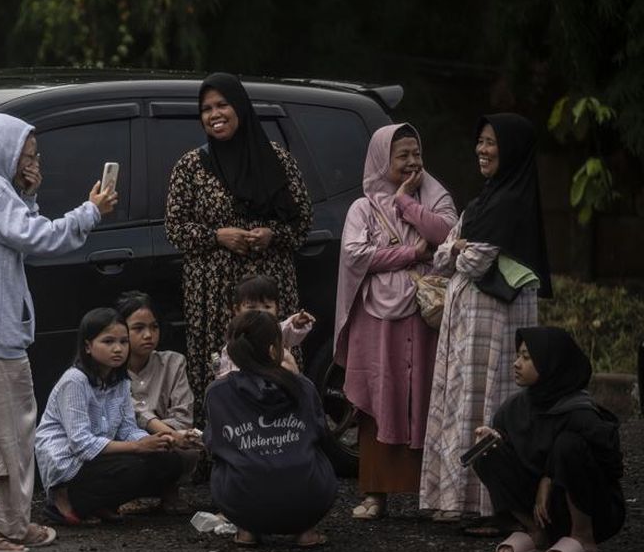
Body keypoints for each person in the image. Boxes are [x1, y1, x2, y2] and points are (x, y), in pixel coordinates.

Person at [0, 111, 117, 552]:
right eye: (25, 152)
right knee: (18, 432)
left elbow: (15, 231)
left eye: (33, 153)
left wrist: (29, 191)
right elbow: (36, 238)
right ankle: (15, 524)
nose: (31, 159)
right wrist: (90, 214)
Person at [420, 114, 552, 525]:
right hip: (467, 320)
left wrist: (457, 248)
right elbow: (441, 256)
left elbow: (473, 262)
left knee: (486, 399)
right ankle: (458, 499)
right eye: (479, 141)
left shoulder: (512, 202)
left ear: (509, 149)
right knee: (462, 398)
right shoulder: (483, 201)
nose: (482, 149)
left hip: (493, 320)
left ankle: (488, 503)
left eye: (491, 142)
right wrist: (457, 248)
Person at [165, 73, 313, 416]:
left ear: (241, 108)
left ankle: (283, 443)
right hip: (216, 295)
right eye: (206, 108)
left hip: (270, 290)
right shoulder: (190, 166)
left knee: (276, 363)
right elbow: (174, 228)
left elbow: (302, 222)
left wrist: (271, 235)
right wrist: (218, 236)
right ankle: (223, 456)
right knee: (222, 373)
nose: (214, 114)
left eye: (222, 105)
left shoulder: (277, 160)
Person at [334, 123, 458, 520]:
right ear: (381, 159)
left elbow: (447, 233)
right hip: (377, 319)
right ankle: (376, 494)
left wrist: (406, 204)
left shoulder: (433, 195)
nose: (411, 162)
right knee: (379, 398)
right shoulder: (363, 208)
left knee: (427, 397)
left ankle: (438, 497)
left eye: (416, 154)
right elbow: (356, 255)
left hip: (424, 314)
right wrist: (409, 254)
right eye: (401, 155)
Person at [471, 327, 624, 552]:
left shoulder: (582, 413)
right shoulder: (513, 408)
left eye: (527, 357)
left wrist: (551, 476)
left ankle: (583, 538)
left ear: (552, 364)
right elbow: (514, 454)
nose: (516, 363)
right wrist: (497, 440)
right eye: (518, 355)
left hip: (591, 510)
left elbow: (611, 469)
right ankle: (535, 532)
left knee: (569, 445)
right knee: (486, 449)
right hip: (539, 511)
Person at [34, 308, 185, 524]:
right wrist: (137, 447)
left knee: (169, 462)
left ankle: (100, 503)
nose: (118, 349)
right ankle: (63, 501)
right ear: (88, 346)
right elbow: (81, 444)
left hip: (99, 458)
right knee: (134, 468)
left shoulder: (120, 381)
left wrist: (155, 441)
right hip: (69, 464)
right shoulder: (75, 381)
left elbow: (127, 429)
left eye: (123, 342)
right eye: (108, 341)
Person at [204, 310, 337, 548]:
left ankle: (247, 530)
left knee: (227, 464)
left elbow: (212, 445)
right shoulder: (303, 387)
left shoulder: (217, 392)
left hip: (241, 502)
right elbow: (322, 434)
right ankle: (306, 531)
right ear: (274, 350)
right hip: (310, 501)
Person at [116, 291, 200, 513]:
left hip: (169, 444)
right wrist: (163, 435)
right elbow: (129, 413)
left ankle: (169, 490)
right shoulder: (112, 369)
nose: (148, 335)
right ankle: (124, 493)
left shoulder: (173, 362)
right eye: (138, 328)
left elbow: (183, 415)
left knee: (190, 447)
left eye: (154, 327)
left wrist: (166, 436)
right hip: (130, 445)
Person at [213, 275, 313, 378]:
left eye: (267, 307)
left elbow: (289, 330)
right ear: (237, 310)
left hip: (273, 387)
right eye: (251, 307)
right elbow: (224, 372)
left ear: (277, 309)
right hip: (242, 389)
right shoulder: (235, 338)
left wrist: (297, 323)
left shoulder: (276, 331)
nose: (260, 312)